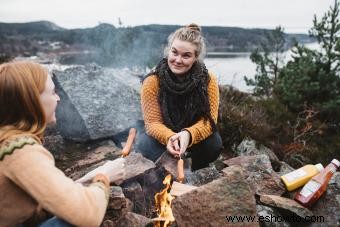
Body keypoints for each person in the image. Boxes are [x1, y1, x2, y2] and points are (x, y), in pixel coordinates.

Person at [0, 61, 125, 227]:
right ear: (32, 100)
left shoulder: (7, 142)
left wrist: (87, 179)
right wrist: (104, 177)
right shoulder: (21, 151)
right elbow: (87, 215)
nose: (58, 98)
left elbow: (43, 199)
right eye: (52, 92)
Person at [136, 23, 223, 171]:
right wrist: (170, 137)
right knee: (144, 143)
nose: (177, 60)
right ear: (168, 50)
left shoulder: (208, 80)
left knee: (214, 143)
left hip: (193, 138)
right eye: (174, 52)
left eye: (186, 55)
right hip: (165, 138)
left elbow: (209, 121)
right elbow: (152, 123)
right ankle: (171, 168)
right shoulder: (152, 80)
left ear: (196, 57)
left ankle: (192, 169)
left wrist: (188, 135)